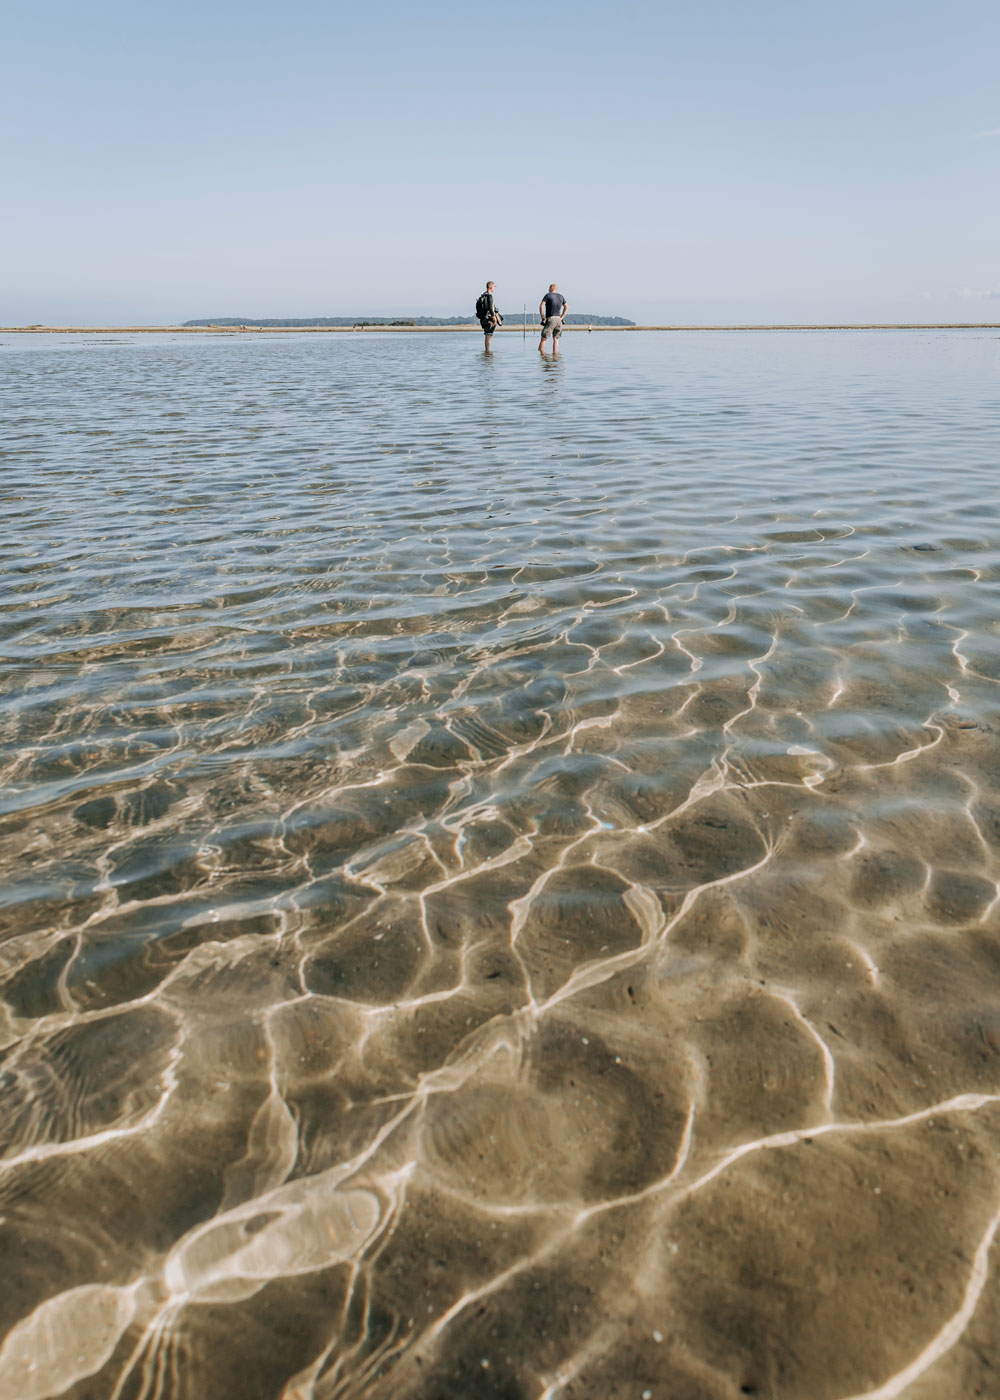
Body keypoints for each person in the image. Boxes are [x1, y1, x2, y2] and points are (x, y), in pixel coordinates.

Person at [538, 283, 568, 353]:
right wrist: (562, 317)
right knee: (555, 338)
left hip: (551, 319)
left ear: (552, 288)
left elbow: (541, 306)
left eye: (549, 288)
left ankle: (542, 355)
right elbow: (566, 307)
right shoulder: (561, 296)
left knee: (544, 338)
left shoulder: (548, 295)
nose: (548, 289)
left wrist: (542, 317)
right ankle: (555, 354)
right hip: (558, 319)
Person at [477, 281, 502, 350]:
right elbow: (490, 307)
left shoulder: (483, 295)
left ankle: (487, 351)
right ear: (490, 287)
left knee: (487, 334)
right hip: (489, 318)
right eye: (494, 287)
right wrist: (494, 317)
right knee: (489, 335)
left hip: (483, 318)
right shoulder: (489, 296)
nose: (494, 288)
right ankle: (487, 351)